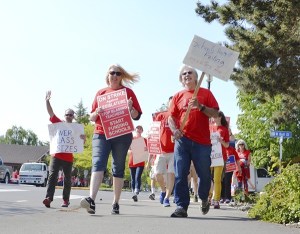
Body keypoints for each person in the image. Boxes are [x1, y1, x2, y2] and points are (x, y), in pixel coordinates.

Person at [80, 64, 142, 215]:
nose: (114, 75)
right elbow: (92, 117)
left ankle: (116, 202)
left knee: (118, 168)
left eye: (118, 73)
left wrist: (130, 108)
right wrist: (96, 112)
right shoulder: (101, 93)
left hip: (121, 134)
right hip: (101, 133)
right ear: (107, 76)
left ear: (122, 76)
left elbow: (137, 116)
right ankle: (91, 200)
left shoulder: (128, 92)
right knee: (98, 163)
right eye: (112, 73)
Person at [168, 65, 219, 218]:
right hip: (182, 141)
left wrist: (200, 106)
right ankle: (181, 206)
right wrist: (174, 130)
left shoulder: (206, 93)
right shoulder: (177, 96)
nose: (187, 75)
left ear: (196, 77)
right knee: (180, 173)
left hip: (202, 143)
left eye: (190, 72)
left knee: (204, 174)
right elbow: (171, 117)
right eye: (184, 73)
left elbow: (216, 113)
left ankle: (204, 198)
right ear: (181, 79)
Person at [43, 90, 86, 208]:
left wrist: (83, 137)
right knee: (52, 176)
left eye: (71, 114)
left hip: (68, 158)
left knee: (67, 179)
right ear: (64, 116)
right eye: (67, 114)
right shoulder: (58, 123)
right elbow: (51, 113)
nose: (69, 116)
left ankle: (66, 200)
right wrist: (47, 101)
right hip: (56, 156)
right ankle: (48, 198)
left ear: (73, 116)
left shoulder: (76, 128)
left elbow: (81, 142)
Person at [152, 96, 175, 207]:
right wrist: (152, 151)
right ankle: (163, 190)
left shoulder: (179, 116)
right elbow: (153, 132)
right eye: (170, 103)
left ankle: (167, 198)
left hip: (174, 151)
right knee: (157, 174)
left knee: (171, 174)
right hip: (161, 150)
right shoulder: (161, 116)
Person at [209, 111, 230, 209]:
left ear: (220, 118)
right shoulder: (210, 128)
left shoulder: (225, 129)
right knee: (207, 179)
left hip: (220, 158)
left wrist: (220, 140)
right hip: (209, 156)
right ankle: (208, 198)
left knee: (217, 180)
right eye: (213, 116)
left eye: (215, 116)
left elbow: (227, 145)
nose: (213, 118)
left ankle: (216, 200)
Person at [128, 125, 146, 202]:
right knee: (132, 178)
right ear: (135, 130)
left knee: (137, 176)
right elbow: (128, 150)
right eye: (137, 129)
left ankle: (136, 190)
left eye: (140, 129)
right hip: (132, 161)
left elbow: (147, 150)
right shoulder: (131, 139)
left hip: (140, 161)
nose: (138, 130)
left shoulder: (144, 139)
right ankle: (133, 193)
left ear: (142, 131)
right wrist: (131, 151)